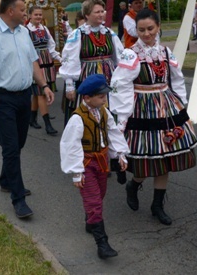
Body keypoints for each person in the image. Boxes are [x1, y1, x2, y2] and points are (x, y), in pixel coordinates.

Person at [109, 9, 197, 226]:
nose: (146, 34)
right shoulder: (131, 54)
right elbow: (121, 85)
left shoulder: (166, 52)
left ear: (158, 27)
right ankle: (134, 184)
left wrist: (182, 107)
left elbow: (177, 80)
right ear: (136, 30)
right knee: (146, 159)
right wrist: (123, 118)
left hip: (167, 106)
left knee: (165, 158)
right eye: (141, 30)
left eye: (150, 28)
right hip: (142, 107)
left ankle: (157, 205)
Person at [0, 0, 55, 219]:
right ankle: (18, 199)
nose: (25, 13)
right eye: (23, 9)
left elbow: (33, 62)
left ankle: (5, 180)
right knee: (11, 147)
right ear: (11, 11)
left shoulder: (24, 32)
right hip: (3, 98)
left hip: (24, 95)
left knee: (18, 143)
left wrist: (44, 85)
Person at [60, 74, 129, 259]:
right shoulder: (77, 119)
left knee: (100, 194)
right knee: (94, 201)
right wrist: (76, 172)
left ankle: (90, 221)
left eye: (105, 95)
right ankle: (102, 243)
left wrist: (120, 154)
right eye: (101, 96)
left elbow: (113, 133)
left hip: (102, 162)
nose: (104, 99)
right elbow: (70, 145)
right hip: (86, 164)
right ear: (87, 98)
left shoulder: (104, 112)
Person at [60, 0, 123, 124]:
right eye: (97, 12)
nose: (101, 14)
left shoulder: (109, 33)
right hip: (86, 77)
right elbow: (70, 60)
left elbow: (119, 58)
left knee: (108, 112)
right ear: (87, 15)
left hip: (107, 77)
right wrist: (69, 85)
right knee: (86, 114)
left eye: (102, 11)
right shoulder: (78, 34)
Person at [26, 6, 61, 135]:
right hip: (35, 63)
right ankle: (47, 124)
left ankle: (32, 118)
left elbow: (51, 46)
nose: (39, 17)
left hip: (47, 62)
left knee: (37, 93)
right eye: (36, 15)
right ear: (30, 16)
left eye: (40, 15)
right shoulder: (25, 31)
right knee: (41, 92)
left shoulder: (44, 28)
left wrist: (59, 58)